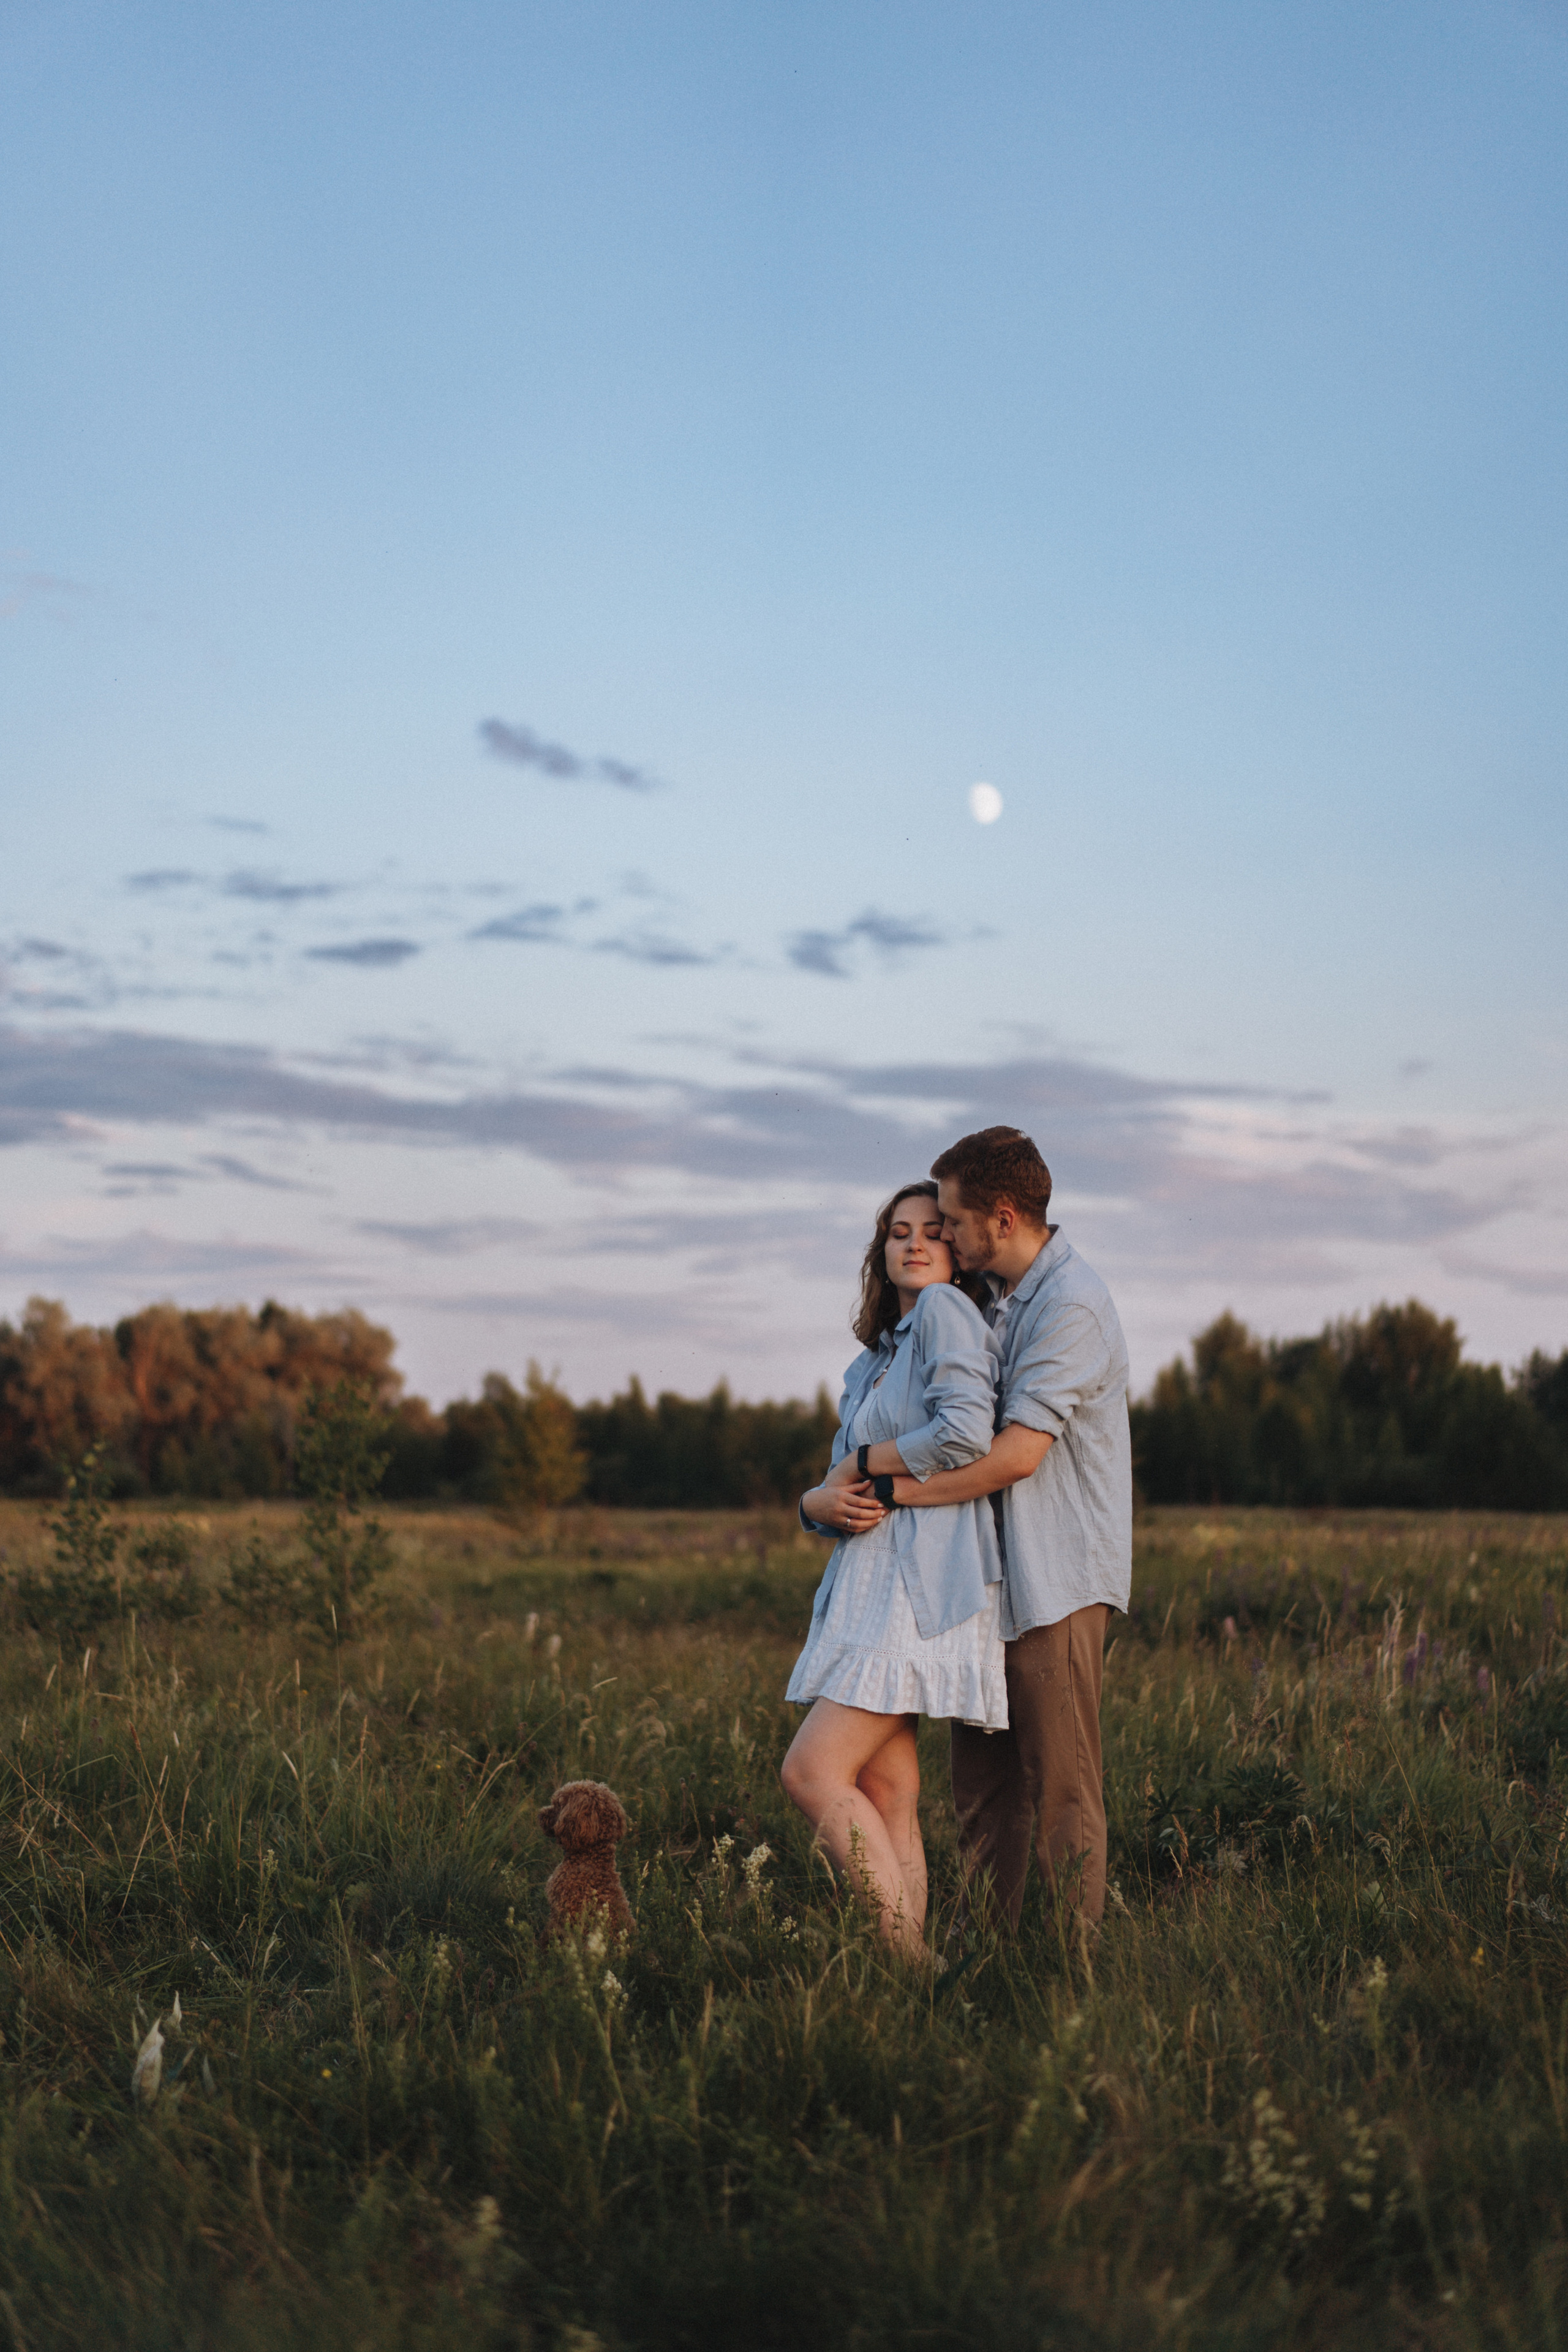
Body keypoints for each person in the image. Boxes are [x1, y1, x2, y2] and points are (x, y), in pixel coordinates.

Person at [879, 1126, 1131, 1935]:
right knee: (984, 1789)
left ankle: (1067, 1977)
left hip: (1055, 1581)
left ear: (1004, 1216)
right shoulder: (991, 1299)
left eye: (951, 1219)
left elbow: (1017, 1457)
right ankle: (988, 1960)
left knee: (1060, 1785)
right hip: (986, 1583)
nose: (943, 1233)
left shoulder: (1073, 1305)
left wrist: (893, 1491)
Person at [781, 1182, 1006, 1960]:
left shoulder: (946, 1312)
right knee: (886, 1793)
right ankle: (918, 1985)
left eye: (933, 1232)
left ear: (955, 1252)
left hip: (914, 1586)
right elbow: (834, 1486)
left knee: (811, 1773)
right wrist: (817, 1500)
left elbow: (965, 1434)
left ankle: (916, 1969)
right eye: (898, 1232)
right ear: (880, 1251)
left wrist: (863, 1464)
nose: (914, 1243)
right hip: (865, 1582)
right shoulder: (873, 1359)